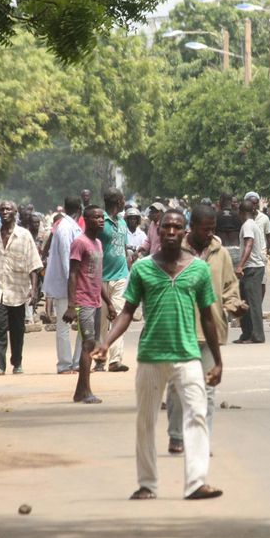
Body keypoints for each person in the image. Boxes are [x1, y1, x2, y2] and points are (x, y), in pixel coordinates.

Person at [96, 209, 224, 501]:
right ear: (158, 230)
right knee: (145, 421)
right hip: (151, 355)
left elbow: (207, 317)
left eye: (176, 228)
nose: (170, 232)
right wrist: (106, 342)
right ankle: (147, 484)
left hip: (188, 354)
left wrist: (217, 360)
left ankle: (196, 482)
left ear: (185, 232)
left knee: (197, 415)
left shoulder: (198, 270)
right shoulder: (142, 268)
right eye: (166, 227)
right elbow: (127, 312)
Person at [166, 205, 247, 454]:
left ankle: (201, 439)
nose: (210, 233)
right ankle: (177, 434)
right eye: (206, 229)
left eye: (213, 229)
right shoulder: (175, 251)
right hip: (181, 328)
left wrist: (235, 305)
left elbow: (229, 287)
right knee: (180, 387)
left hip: (211, 329)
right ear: (192, 228)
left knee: (208, 390)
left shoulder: (220, 253)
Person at [0, 201, 43, 375]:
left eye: (8, 209)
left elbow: (33, 264)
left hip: (18, 290)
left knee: (17, 329)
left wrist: (34, 289)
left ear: (15, 212)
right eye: (2, 209)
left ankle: (17, 361)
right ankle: (0, 366)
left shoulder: (24, 236)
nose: (4, 212)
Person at [64, 205, 115, 403]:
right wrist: (71, 305)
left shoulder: (98, 244)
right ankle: (85, 391)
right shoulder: (80, 243)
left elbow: (97, 276)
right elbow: (73, 274)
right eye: (97, 218)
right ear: (86, 219)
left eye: (102, 217)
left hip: (96, 300)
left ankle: (80, 391)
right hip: (83, 301)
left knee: (91, 343)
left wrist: (108, 302)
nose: (101, 221)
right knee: (88, 344)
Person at [43, 196, 83, 374]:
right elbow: (69, 262)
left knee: (83, 326)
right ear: (80, 210)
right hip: (67, 285)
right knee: (64, 326)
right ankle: (65, 364)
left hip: (71, 284)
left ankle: (77, 362)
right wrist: (74, 287)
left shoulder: (66, 226)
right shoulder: (66, 229)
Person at [96, 187, 132, 373]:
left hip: (120, 277)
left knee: (118, 318)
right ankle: (100, 359)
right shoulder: (100, 220)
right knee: (101, 322)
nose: (125, 200)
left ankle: (115, 360)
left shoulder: (122, 222)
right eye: (123, 198)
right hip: (101, 279)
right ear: (117, 201)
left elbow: (123, 247)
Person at [235, 200, 267, 344]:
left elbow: (249, 244)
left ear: (241, 212)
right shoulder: (252, 224)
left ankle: (257, 335)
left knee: (253, 303)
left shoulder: (248, 225)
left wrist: (240, 265)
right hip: (251, 267)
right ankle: (246, 334)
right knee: (245, 301)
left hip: (253, 268)